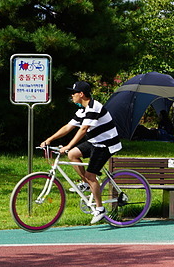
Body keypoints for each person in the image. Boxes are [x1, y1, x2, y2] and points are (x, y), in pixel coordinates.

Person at [40, 81, 122, 224]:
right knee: (72, 154)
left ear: (81, 94)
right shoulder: (82, 110)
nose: (72, 96)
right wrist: (49, 139)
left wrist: (68, 145)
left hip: (107, 144)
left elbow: (83, 129)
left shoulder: (94, 107)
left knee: (91, 176)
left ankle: (100, 208)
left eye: (74, 93)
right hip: (95, 142)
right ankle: (86, 183)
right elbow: (68, 127)